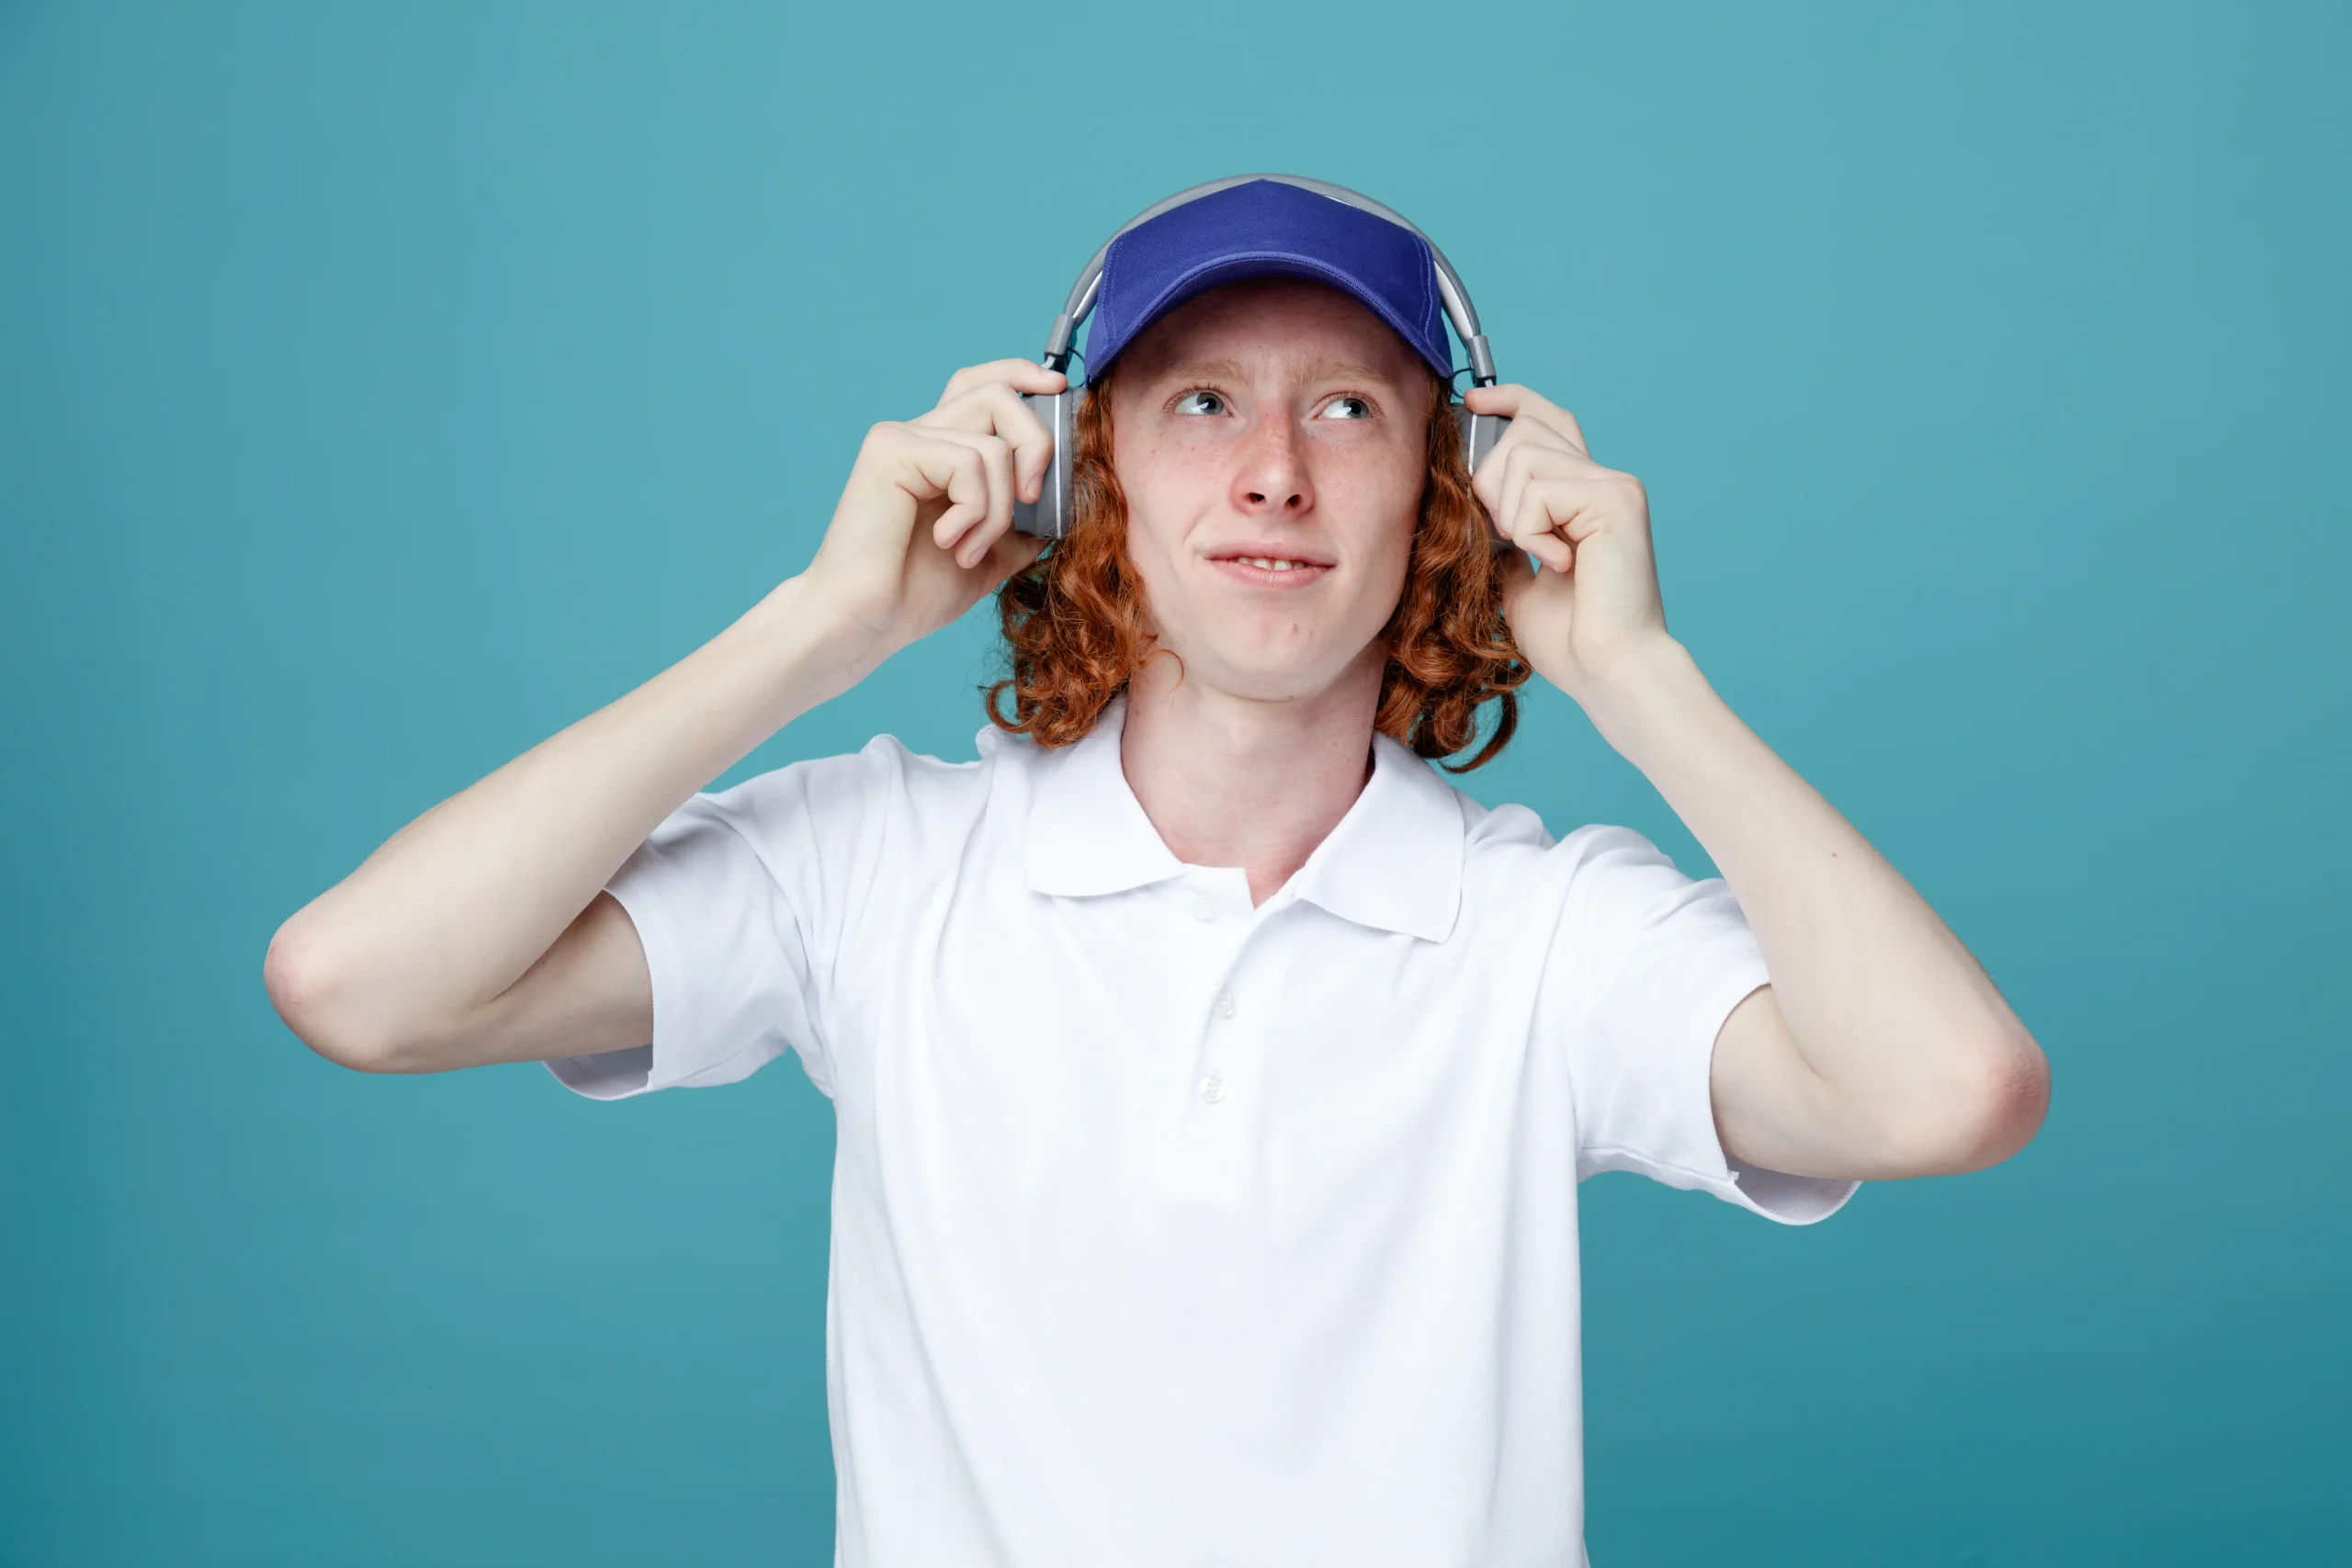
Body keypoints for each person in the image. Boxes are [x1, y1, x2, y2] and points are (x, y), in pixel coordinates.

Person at [266, 177, 2050, 1566]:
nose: (1272, 474)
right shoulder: (885, 867)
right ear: (1081, 470)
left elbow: (1947, 1089)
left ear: (1453, 488)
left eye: (1347, 410)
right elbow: (362, 981)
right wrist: (816, 629)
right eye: (1199, 400)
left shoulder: (1541, 932)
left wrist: (1639, 681)